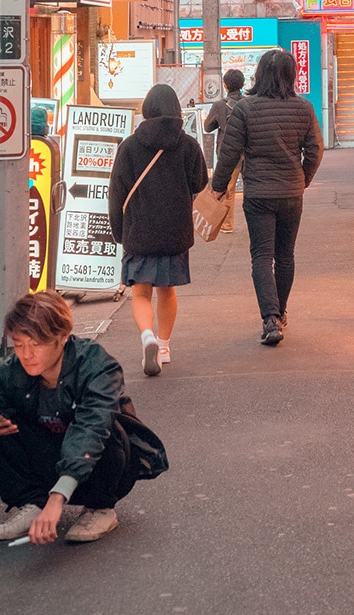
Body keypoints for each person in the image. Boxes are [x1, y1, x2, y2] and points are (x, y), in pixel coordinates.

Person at [0, 290, 167, 545]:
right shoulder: (12, 370)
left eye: (36, 344)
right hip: (49, 459)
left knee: (106, 426)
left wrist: (58, 498)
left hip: (101, 464)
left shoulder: (96, 364)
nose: (26, 354)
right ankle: (33, 503)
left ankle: (100, 508)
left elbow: (91, 428)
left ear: (62, 338)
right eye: (19, 344)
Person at [209, 48, 323, 347]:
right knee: (285, 255)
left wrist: (217, 188)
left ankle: (270, 318)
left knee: (262, 255)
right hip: (291, 192)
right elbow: (314, 151)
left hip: (258, 193)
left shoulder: (245, 109)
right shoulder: (304, 109)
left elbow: (229, 153)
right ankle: (281, 312)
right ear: (290, 75)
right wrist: (303, 180)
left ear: (259, 75)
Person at [108, 83, 208, 375]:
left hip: (139, 231)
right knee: (167, 291)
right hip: (175, 232)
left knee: (140, 293)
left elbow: (116, 194)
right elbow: (200, 182)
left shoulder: (129, 146)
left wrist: (120, 233)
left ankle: (146, 336)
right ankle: (163, 346)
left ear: (147, 110)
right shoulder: (188, 145)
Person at [202, 68, 245, 231]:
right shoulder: (249, 102)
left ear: (225, 86)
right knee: (252, 189)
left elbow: (207, 127)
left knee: (228, 189)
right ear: (242, 84)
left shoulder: (220, 105)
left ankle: (227, 224)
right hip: (248, 153)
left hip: (228, 153)